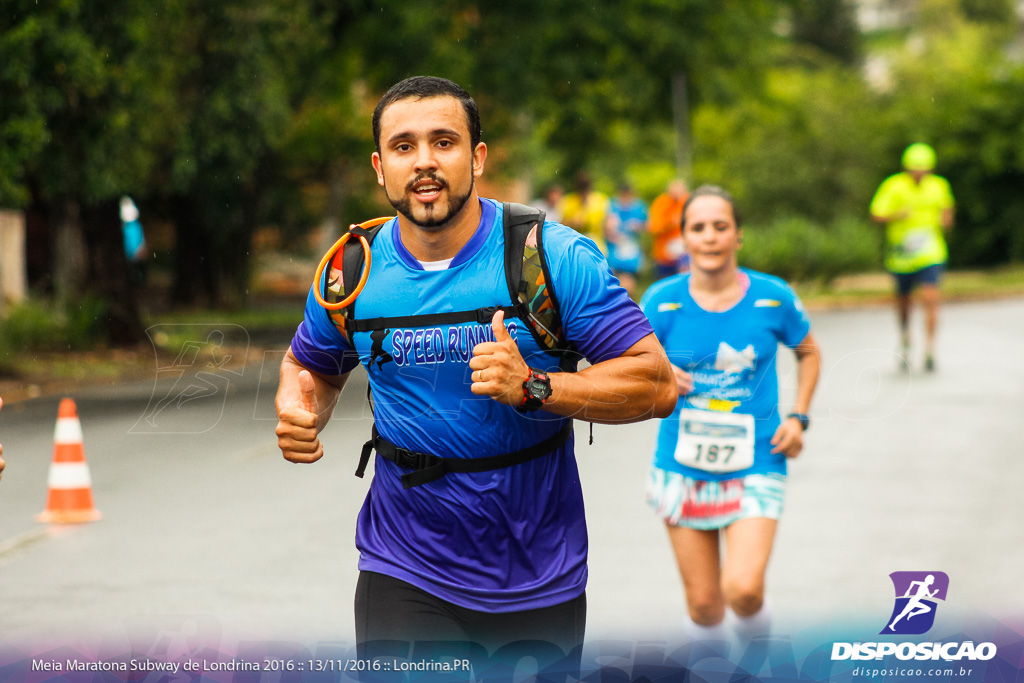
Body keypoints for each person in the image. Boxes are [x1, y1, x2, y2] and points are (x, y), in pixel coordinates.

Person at [274, 76, 676, 672]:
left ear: (477, 158)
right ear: (381, 168)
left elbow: (656, 383)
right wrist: (301, 409)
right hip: (402, 563)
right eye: (405, 147)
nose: (426, 162)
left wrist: (536, 388)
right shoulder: (349, 271)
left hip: (537, 569)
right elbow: (310, 367)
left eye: (445, 142)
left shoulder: (552, 259)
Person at [639, 185, 821, 648]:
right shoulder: (661, 300)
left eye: (721, 226)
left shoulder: (773, 296)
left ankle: (759, 657)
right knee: (703, 606)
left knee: (742, 590)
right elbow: (627, 364)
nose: (710, 237)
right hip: (682, 462)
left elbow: (809, 352)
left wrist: (799, 417)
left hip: (758, 458)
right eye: (698, 228)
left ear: (738, 235)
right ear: (684, 238)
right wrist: (658, 373)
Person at [870, 143, 955, 372]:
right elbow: (876, 214)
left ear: (930, 169)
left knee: (931, 298)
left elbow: (947, 210)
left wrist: (946, 220)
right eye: (914, 169)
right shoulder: (893, 185)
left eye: (923, 169)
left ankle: (929, 348)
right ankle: (905, 336)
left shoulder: (939, 186)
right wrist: (897, 215)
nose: (919, 174)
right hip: (902, 256)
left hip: (931, 252)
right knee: (904, 303)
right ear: (906, 168)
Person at [604, 183, 648, 300]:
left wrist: (638, 226)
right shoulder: (612, 205)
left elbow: (648, 225)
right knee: (612, 285)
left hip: (631, 253)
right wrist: (610, 228)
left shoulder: (639, 206)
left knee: (628, 285)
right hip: (614, 252)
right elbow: (605, 227)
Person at [648, 178, 690, 279]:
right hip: (664, 255)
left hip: (684, 253)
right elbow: (654, 227)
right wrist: (670, 223)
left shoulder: (688, 202)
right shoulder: (661, 203)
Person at [560, 171, 610, 253]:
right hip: (574, 247)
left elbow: (608, 222)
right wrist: (573, 223)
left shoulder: (601, 200)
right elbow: (561, 224)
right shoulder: (568, 201)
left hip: (596, 246)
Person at [120, 196, 148, 286]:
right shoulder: (129, 226)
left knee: (135, 271)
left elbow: (139, 239)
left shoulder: (134, 226)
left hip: (134, 253)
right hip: (130, 253)